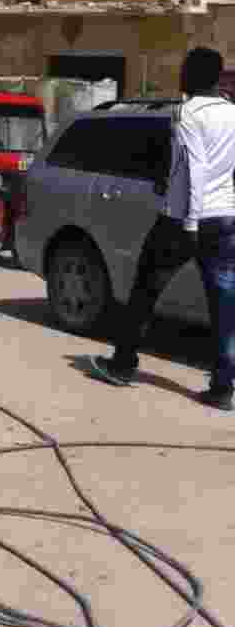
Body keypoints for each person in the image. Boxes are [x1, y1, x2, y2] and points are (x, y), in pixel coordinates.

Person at [91, 46, 235, 411]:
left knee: (144, 292)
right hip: (225, 219)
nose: (181, 74)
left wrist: (189, 222)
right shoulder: (233, 113)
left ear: (193, 75)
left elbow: (196, 169)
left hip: (184, 219)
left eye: (184, 69)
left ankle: (122, 365)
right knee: (224, 304)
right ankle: (222, 387)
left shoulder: (187, 113)